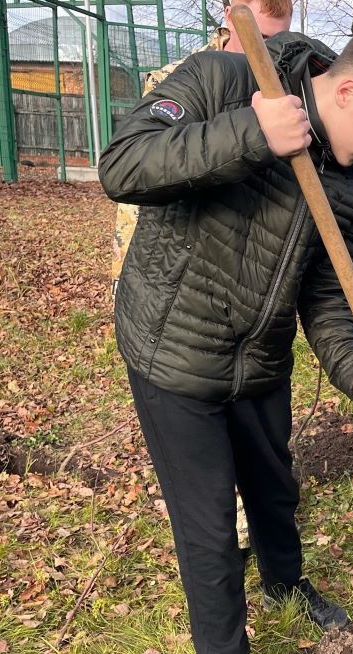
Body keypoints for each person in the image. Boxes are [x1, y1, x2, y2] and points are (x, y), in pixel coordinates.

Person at [99, 26, 353, 654]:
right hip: (174, 348)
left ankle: (286, 583)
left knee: (275, 484)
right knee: (210, 525)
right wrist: (248, 132)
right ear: (350, 91)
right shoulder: (223, 81)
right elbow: (123, 166)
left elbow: (325, 290)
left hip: (258, 355)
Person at [109, 0, 293, 562]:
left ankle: (262, 551)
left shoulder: (286, 100)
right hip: (168, 286)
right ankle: (223, 536)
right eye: (258, 43)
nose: (269, 64)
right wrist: (249, 131)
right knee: (205, 482)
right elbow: (130, 167)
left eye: (279, 45)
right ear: (229, 22)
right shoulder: (188, 79)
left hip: (241, 313)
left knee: (259, 456)